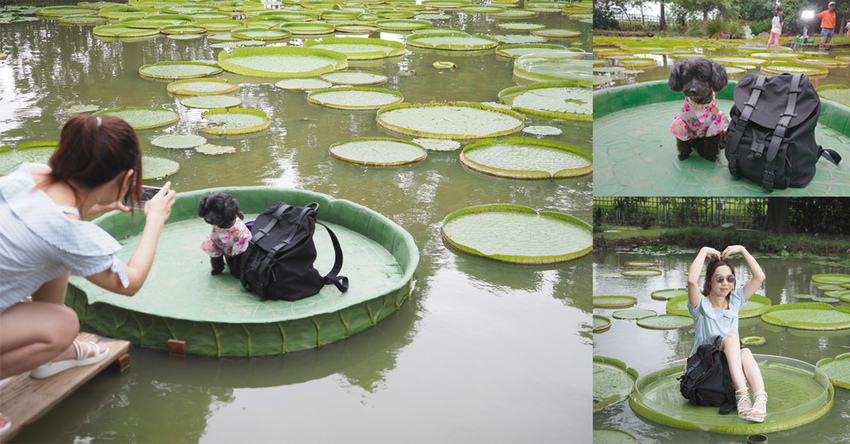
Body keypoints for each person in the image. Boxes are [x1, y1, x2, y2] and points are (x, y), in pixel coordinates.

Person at [0, 115, 176, 436]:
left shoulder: (31, 173)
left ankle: (54, 358)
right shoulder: (64, 228)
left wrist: (102, 205)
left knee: (65, 246)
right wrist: (155, 221)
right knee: (64, 324)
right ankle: (57, 346)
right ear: (127, 177)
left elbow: (59, 218)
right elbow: (130, 282)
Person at [686, 245, 767, 422]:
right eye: (719, 278)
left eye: (730, 278)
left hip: (729, 368)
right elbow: (692, 281)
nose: (726, 283)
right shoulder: (700, 305)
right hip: (705, 369)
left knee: (744, 351)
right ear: (709, 281)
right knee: (731, 340)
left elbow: (759, 277)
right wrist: (703, 251)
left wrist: (744, 250)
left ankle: (760, 399)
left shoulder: (735, 300)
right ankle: (742, 394)